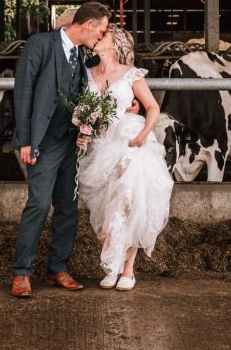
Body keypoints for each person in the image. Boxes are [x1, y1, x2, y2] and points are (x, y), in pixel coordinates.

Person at [10, 1, 111, 298]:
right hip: (43, 141)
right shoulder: (40, 44)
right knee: (39, 204)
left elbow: (88, 91)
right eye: (101, 30)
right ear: (89, 24)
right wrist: (26, 140)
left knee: (67, 206)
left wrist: (85, 128)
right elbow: (24, 91)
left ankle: (57, 267)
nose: (101, 37)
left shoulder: (80, 54)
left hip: (70, 142)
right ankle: (21, 272)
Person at [77, 25, 174, 291]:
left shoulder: (131, 74)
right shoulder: (85, 73)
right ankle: (112, 264)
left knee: (127, 203)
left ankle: (128, 269)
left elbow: (152, 106)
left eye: (103, 35)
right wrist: (82, 129)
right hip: (98, 145)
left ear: (115, 43)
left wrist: (143, 134)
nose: (98, 38)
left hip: (127, 141)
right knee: (101, 210)